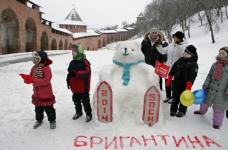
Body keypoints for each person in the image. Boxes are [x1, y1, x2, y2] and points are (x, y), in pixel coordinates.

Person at [194, 47, 228, 129]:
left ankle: (217, 123)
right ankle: (202, 111)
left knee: (219, 108)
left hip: (222, 92)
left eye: (223, 53)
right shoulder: (215, 64)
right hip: (211, 88)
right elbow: (209, 75)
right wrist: (206, 84)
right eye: (220, 53)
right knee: (205, 102)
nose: (220, 55)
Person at [23, 50, 56, 129]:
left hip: (46, 93)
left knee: (49, 109)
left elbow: (46, 80)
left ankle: (52, 120)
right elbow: (31, 76)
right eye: (33, 58)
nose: (34, 60)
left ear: (41, 59)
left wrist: (34, 80)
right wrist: (27, 79)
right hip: (37, 93)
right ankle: (39, 120)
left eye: (36, 58)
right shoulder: (34, 68)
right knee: (38, 109)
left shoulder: (46, 68)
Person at [166, 45, 198, 117]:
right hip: (176, 83)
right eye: (185, 52)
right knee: (175, 97)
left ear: (191, 55)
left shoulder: (194, 64)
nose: (185, 53)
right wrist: (169, 78)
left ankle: (182, 111)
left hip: (185, 85)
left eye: (187, 53)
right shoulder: (180, 59)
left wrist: (189, 85)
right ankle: (173, 110)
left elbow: (193, 76)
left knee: (184, 99)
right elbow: (173, 69)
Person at [156, 31, 187, 103]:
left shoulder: (183, 47)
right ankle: (168, 96)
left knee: (175, 84)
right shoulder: (170, 45)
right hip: (168, 67)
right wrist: (158, 44)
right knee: (167, 82)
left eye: (176, 37)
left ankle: (174, 97)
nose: (174, 38)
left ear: (180, 38)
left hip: (177, 69)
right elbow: (163, 51)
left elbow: (185, 57)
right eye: (174, 36)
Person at [66, 45, 92, 122]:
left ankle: (88, 114)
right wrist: (68, 80)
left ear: (79, 52)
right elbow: (70, 72)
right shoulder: (72, 62)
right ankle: (79, 112)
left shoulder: (85, 61)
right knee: (76, 100)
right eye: (72, 51)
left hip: (83, 86)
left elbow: (87, 72)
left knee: (85, 101)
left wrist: (76, 74)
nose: (73, 52)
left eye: (75, 51)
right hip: (75, 86)